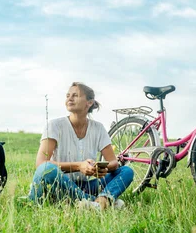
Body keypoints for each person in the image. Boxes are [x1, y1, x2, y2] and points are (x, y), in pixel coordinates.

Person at [28, 82, 133, 210]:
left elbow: (113, 162)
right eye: (67, 95)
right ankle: (96, 203)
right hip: (58, 183)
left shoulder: (98, 128)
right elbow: (41, 164)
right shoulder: (54, 125)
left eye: (75, 95)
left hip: (85, 185)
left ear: (89, 102)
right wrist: (79, 166)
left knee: (126, 171)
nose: (69, 98)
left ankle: (101, 199)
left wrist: (97, 168)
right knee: (46, 169)